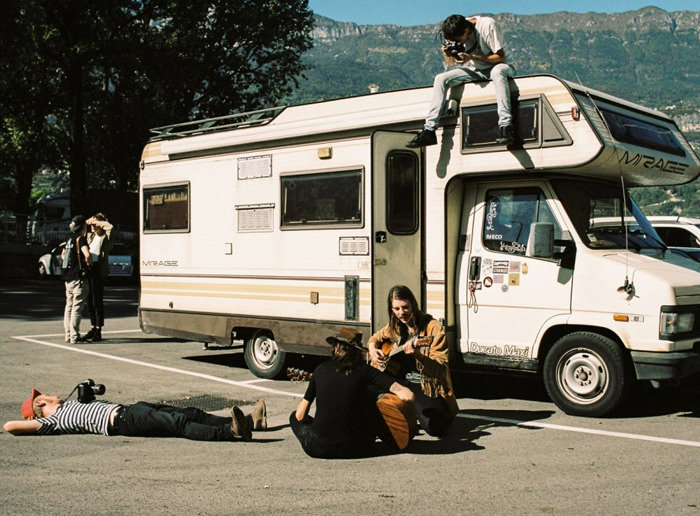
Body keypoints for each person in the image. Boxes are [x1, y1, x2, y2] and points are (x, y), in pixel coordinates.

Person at [290, 327, 414, 459]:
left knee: (295, 418)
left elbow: (300, 415)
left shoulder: (320, 369)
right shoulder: (366, 371)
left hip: (318, 448)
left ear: (335, 348)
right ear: (357, 351)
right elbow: (408, 395)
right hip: (357, 449)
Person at [406, 13, 516, 148]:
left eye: (459, 39)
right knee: (441, 79)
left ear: (466, 30)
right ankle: (429, 130)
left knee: (497, 72)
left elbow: (500, 57)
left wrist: (472, 57)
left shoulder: (487, 25)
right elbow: (451, 63)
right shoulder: (457, 33)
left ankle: (505, 126)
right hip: (477, 70)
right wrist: (448, 55)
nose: (459, 42)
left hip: (499, 66)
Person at [3, 387, 267, 442]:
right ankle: (231, 433)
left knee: (191, 411)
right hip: (124, 422)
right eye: (43, 396)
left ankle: (248, 422)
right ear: (40, 405)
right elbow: (9, 426)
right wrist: (35, 416)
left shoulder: (69, 406)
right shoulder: (52, 421)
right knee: (179, 423)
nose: (50, 394)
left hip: (130, 409)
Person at [368, 285, 459, 437]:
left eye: (405, 307)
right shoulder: (395, 325)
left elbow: (440, 368)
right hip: (398, 380)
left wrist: (417, 355)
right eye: (396, 309)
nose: (401, 313)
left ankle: (414, 409)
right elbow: (375, 338)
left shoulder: (433, 328)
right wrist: (372, 349)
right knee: (362, 388)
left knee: (436, 427)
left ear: (413, 305)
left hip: (423, 383)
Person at [61, 215, 92, 344]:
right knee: (77, 307)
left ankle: (68, 335)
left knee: (68, 306)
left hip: (68, 277)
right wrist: (89, 263)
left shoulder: (69, 239)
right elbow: (87, 254)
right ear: (82, 226)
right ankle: (75, 336)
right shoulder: (81, 239)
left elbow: (63, 255)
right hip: (78, 277)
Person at [84, 213, 114, 342]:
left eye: (95, 224)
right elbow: (83, 226)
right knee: (89, 300)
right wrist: (89, 221)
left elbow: (110, 227)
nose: (92, 226)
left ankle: (98, 329)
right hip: (88, 268)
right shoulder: (90, 236)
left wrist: (99, 222)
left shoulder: (105, 238)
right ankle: (92, 326)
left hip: (98, 269)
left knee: (97, 301)